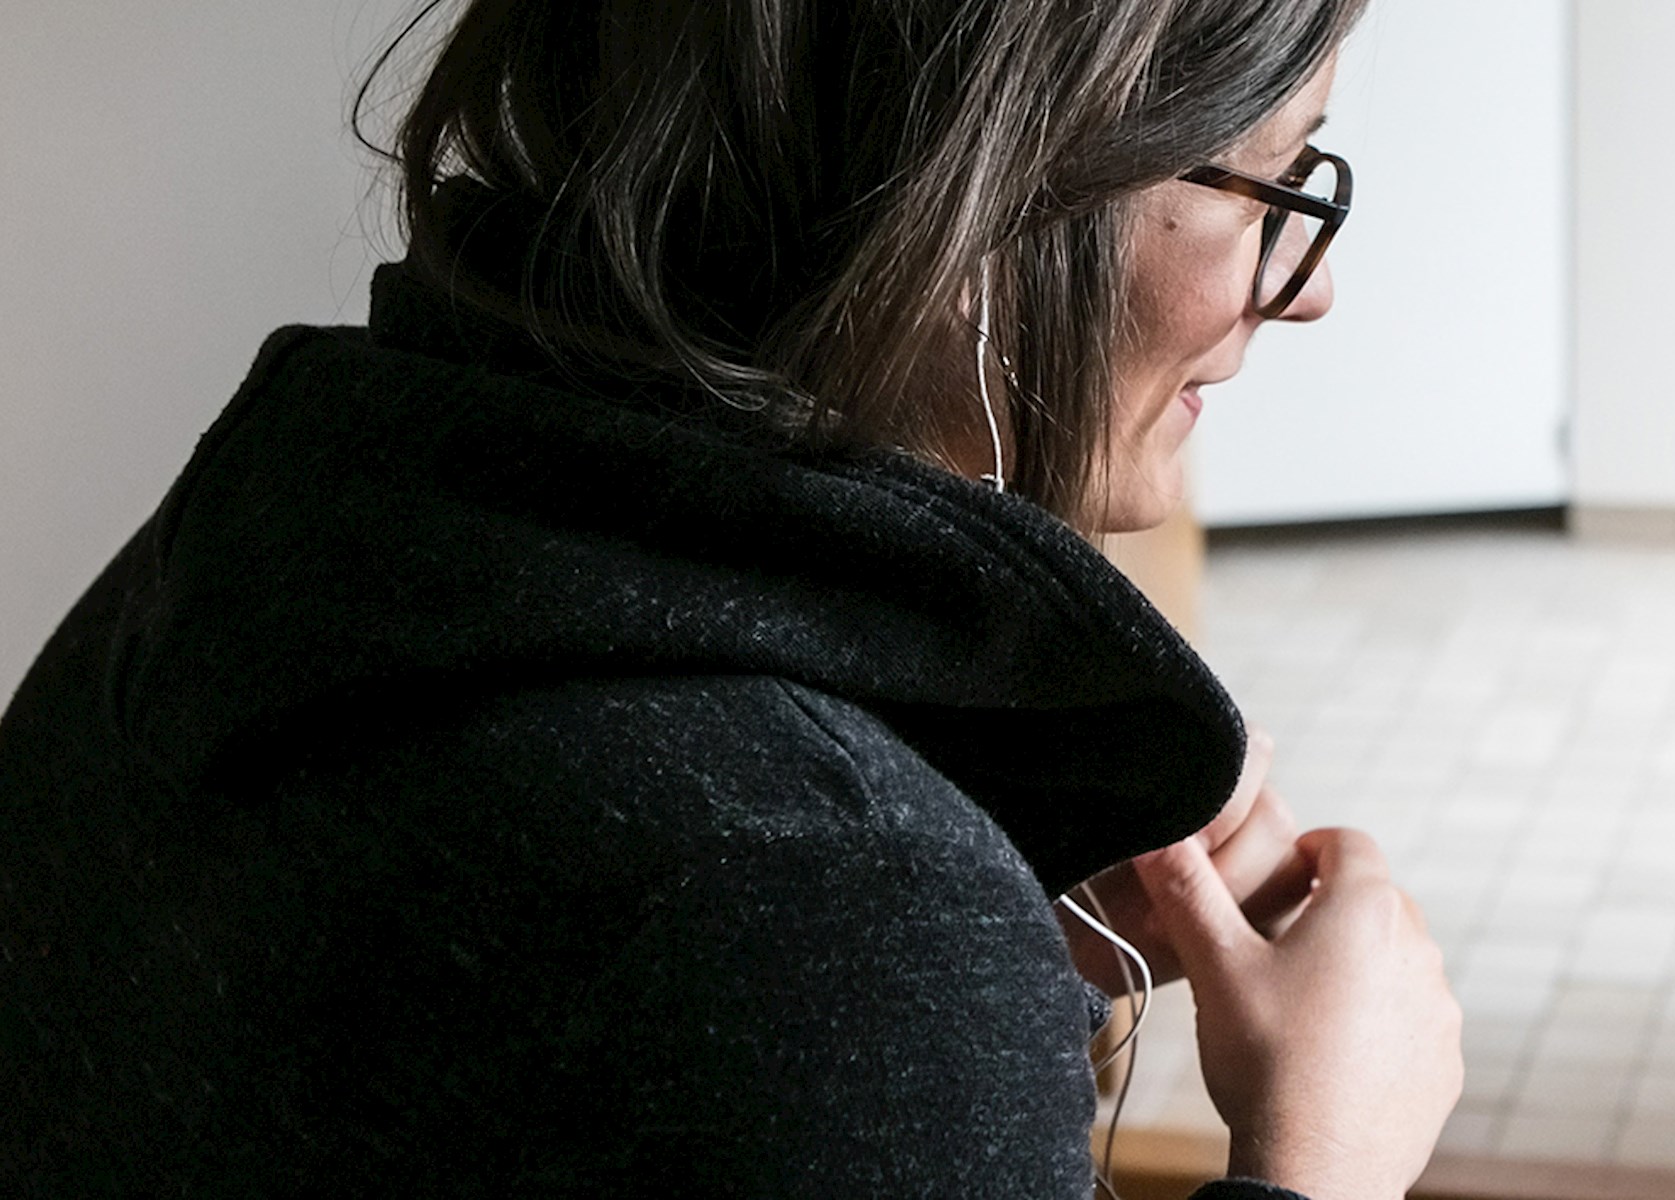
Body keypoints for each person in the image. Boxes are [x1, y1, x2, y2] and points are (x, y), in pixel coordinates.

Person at [0, 1, 1460, 1196]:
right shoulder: (831, 901)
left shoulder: (298, 499)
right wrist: (1325, 1160)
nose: (1306, 288)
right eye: (1274, 182)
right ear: (986, 191)